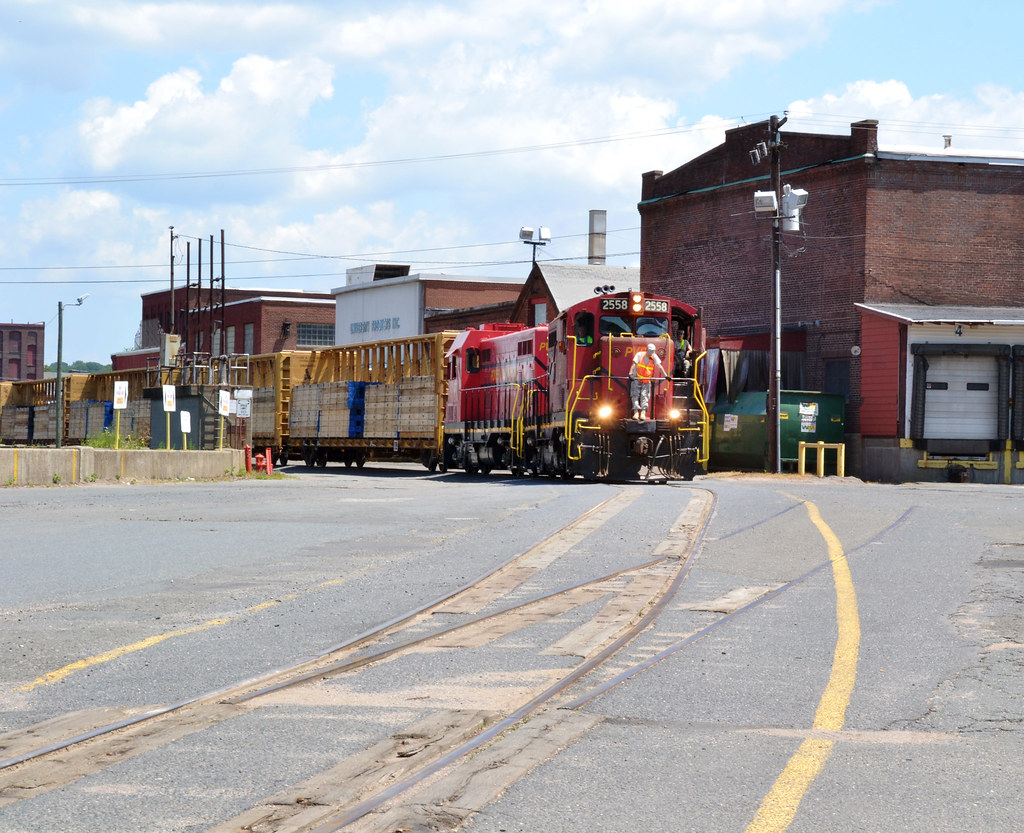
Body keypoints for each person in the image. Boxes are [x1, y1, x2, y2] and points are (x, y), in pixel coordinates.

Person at [629, 343, 666, 419]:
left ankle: (643, 413)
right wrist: (630, 374)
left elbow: (659, 366)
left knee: (645, 396)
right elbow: (634, 364)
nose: (651, 354)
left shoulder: (654, 356)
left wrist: (666, 376)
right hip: (637, 379)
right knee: (635, 395)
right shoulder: (639, 355)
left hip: (646, 380)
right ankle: (636, 413)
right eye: (650, 352)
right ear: (647, 350)